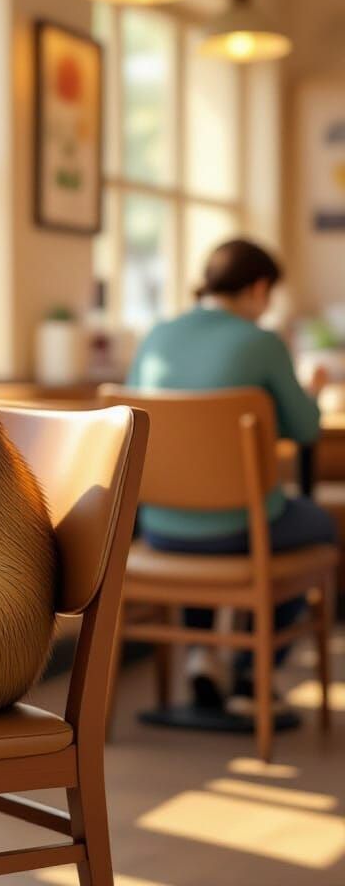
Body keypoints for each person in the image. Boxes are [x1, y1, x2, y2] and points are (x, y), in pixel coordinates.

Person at [127, 238, 336, 717]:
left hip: (160, 531)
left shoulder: (156, 336)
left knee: (208, 514)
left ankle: (204, 654)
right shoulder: (261, 341)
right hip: (240, 530)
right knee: (321, 527)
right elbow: (304, 428)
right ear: (260, 288)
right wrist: (313, 392)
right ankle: (248, 668)